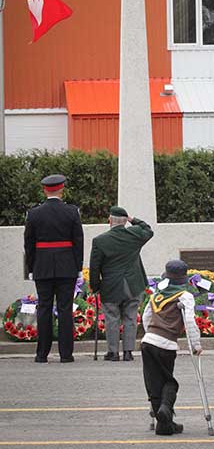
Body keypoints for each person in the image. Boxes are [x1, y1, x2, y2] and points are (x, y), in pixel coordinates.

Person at [24, 174, 84, 363]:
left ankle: (42, 354)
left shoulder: (34, 213)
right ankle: (66, 354)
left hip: (42, 266)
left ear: (45, 190)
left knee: (44, 309)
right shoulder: (72, 211)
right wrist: (78, 266)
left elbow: (29, 244)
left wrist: (31, 267)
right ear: (62, 189)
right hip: (67, 267)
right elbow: (78, 241)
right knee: (65, 310)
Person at [141, 260, 202, 435]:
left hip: (148, 342)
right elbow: (190, 321)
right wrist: (196, 345)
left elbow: (146, 317)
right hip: (166, 343)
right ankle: (166, 409)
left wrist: (151, 334)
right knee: (169, 382)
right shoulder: (185, 296)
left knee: (154, 383)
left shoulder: (156, 295)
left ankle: (164, 425)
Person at [89, 206, 153, 361]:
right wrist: (132, 219)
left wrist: (95, 286)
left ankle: (113, 352)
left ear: (109, 220)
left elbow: (95, 267)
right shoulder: (135, 234)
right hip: (133, 284)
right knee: (130, 317)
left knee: (112, 318)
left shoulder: (100, 241)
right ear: (125, 221)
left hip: (111, 285)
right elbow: (148, 229)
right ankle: (128, 352)